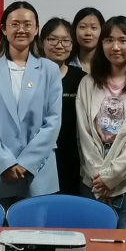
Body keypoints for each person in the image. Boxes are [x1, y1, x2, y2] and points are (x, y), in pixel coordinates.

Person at [0, 1, 62, 206]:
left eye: (27, 24)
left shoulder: (50, 69)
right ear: (4, 29)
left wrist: (26, 162)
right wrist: (4, 162)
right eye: (14, 24)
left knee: (36, 226)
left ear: (36, 29)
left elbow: (53, 121)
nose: (21, 29)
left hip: (38, 172)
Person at [77, 16, 126, 230]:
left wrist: (110, 177)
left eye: (123, 40)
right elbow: (84, 133)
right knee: (94, 245)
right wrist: (99, 177)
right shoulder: (87, 83)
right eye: (109, 40)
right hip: (93, 176)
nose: (115, 47)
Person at [40, 17, 86, 196]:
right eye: (52, 39)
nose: (59, 45)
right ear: (42, 42)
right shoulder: (31, 76)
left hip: (73, 158)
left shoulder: (82, 79)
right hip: (39, 156)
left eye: (66, 40)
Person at [68, 7, 104, 73]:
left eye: (93, 27)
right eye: (82, 27)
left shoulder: (110, 66)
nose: (88, 33)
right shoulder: (65, 64)